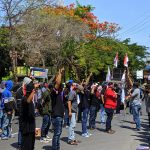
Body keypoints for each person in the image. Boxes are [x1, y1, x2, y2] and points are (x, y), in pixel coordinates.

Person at [20, 80, 36, 150]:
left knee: (31, 146)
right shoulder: (24, 99)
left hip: (31, 128)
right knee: (26, 146)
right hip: (26, 129)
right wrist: (33, 91)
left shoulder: (31, 101)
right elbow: (28, 101)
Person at [51, 68, 64, 150]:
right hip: (57, 116)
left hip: (59, 115)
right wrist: (60, 73)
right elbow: (58, 82)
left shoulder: (58, 93)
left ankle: (57, 148)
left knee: (58, 134)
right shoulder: (54, 92)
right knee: (57, 134)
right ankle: (55, 148)